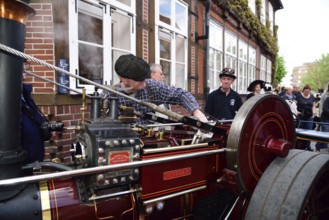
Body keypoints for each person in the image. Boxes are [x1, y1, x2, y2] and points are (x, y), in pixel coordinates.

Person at [114, 54, 207, 124]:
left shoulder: (151, 87)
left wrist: (196, 112)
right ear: (124, 79)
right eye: (140, 80)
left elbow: (181, 94)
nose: (144, 84)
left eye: (145, 78)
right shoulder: (110, 96)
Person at [21, 60, 48, 163]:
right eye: (22, 66)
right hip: (22, 159)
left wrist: (45, 126)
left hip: (32, 156)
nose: (25, 70)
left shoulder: (25, 94)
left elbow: (34, 116)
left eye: (25, 65)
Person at [295, 84, 315, 151]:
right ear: (303, 90)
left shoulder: (312, 97)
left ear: (310, 91)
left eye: (308, 91)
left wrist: (313, 113)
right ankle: (299, 146)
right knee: (300, 131)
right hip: (301, 117)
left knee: (309, 132)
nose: (307, 93)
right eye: (305, 91)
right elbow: (293, 104)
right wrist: (296, 111)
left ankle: (308, 146)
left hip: (309, 117)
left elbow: (313, 105)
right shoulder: (299, 96)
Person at [315, 82, 329, 152]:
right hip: (325, 118)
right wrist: (320, 116)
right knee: (325, 133)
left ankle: (325, 144)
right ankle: (318, 147)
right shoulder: (325, 95)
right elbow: (323, 107)